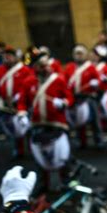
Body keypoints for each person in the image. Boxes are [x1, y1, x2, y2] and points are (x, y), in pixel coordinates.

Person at [17, 53, 74, 190]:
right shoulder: (28, 83)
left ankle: (66, 183)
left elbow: (70, 97)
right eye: (42, 66)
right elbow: (22, 103)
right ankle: (43, 186)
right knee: (40, 157)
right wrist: (22, 114)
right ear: (35, 67)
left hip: (57, 124)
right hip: (37, 124)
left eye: (47, 65)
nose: (47, 68)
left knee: (63, 155)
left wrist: (64, 102)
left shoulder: (58, 80)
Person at [0, 46, 33, 157]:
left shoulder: (24, 69)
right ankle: (19, 150)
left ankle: (31, 148)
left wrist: (21, 95)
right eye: (5, 56)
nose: (6, 58)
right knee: (14, 127)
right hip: (6, 104)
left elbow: (30, 83)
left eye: (9, 56)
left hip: (22, 103)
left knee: (26, 126)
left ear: (14, 57)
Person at [64, 44, 102, 148]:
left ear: (85, 55)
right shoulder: (69, 68)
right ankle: (82, 142)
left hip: (88, 97)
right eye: (76, 53)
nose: (78, 56)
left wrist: (96, 83)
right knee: (78, 121)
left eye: (80, 53)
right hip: (75, 97)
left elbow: (98, 80)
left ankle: (98, 140)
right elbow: (65, 82)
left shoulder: (90, 67)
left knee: (95, 120)